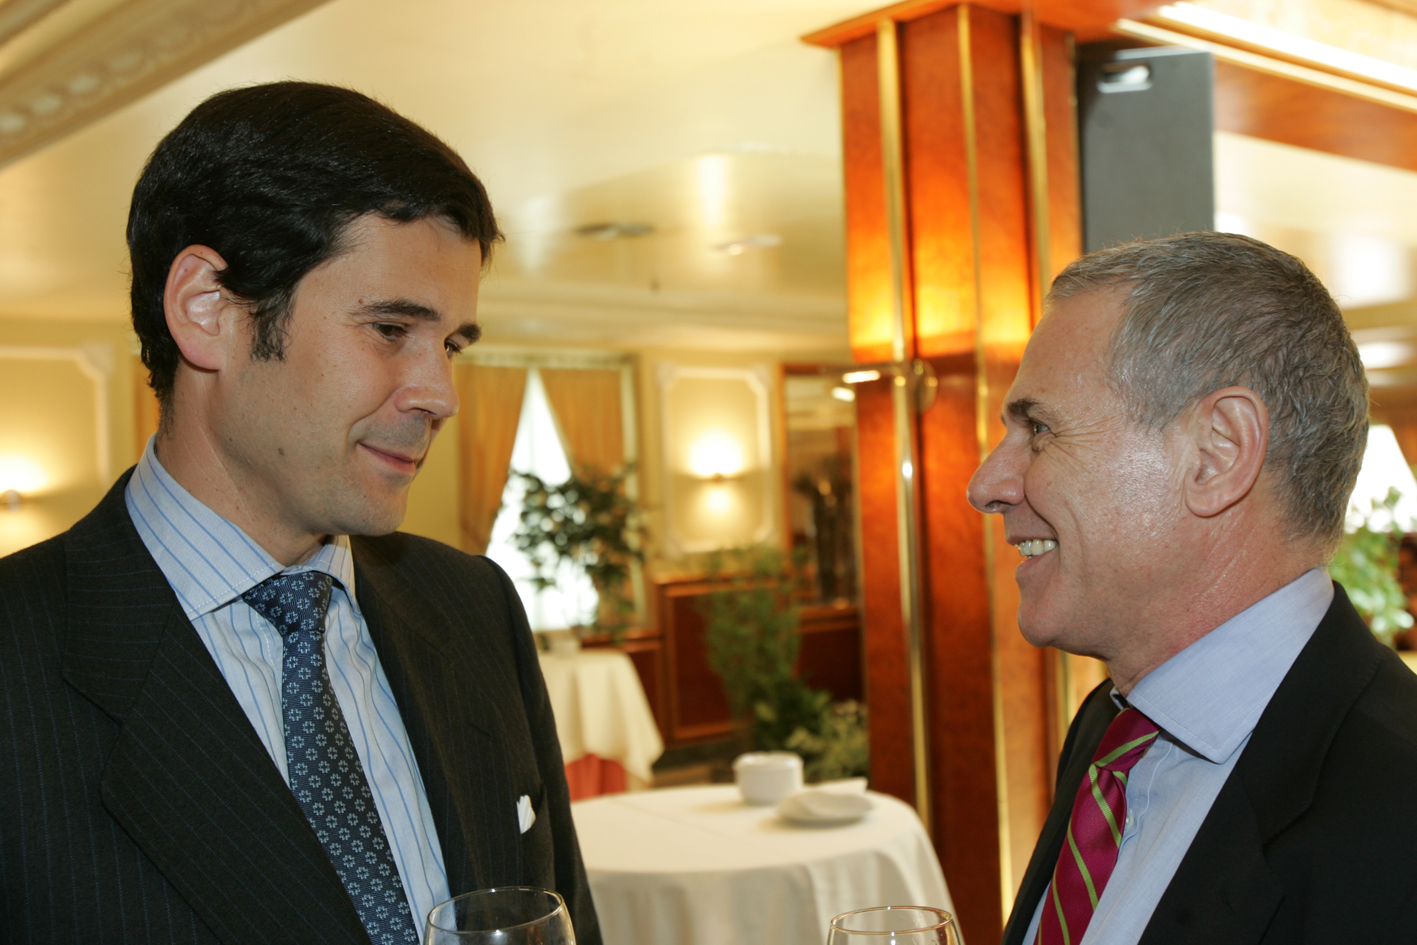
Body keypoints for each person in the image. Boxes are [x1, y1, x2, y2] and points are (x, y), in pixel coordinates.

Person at [0, 82, 601, 945]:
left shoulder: (475, 608)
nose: (442, 395)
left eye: (451, 344)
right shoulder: (19, 662)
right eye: (390, 329)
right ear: (208, 310)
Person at [969, 232, 1417, 945]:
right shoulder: (1108, 731)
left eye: (1040, 429)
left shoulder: (1397, 811)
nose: (985, 484)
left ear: (1217, 454)